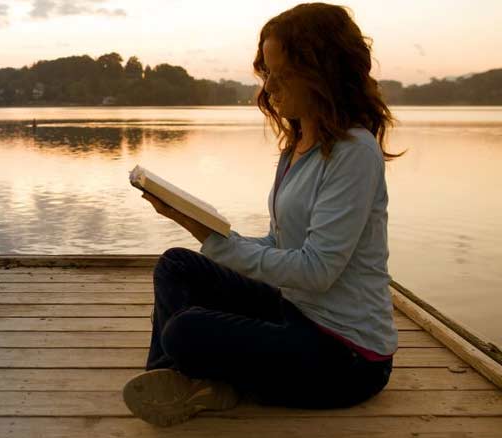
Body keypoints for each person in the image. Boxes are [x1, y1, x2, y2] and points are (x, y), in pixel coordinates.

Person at [122, 2, 407, 427]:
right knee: (176, 265)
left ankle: (194, 382)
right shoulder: (298, 147)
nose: (269, 86)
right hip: (294, 311)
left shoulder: (354, 152)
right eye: (266, 72)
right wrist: (198, 227)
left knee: (186, 331)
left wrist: (218, 240)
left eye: (282, 73)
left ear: (323, 73)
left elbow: (316, 271)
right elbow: (280, 246)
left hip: (346, 356)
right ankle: (175, 381)